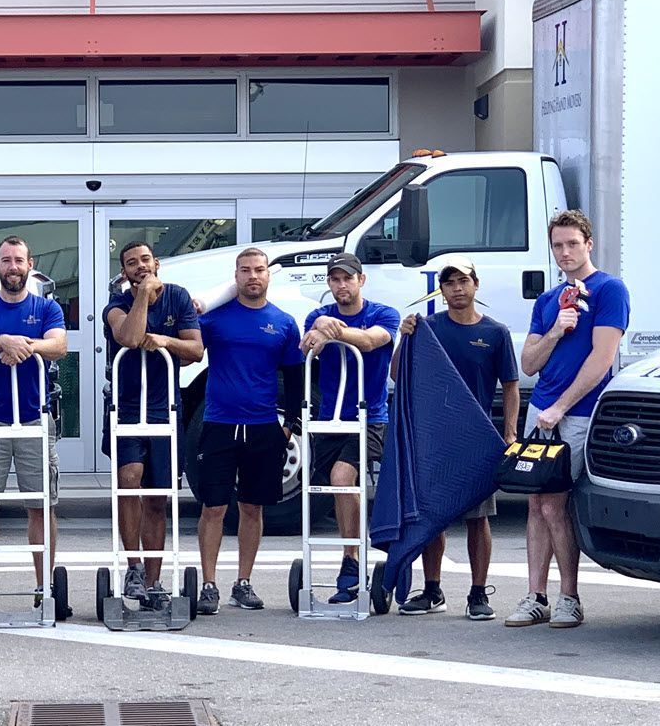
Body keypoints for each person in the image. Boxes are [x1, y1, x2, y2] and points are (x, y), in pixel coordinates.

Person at [511, 210, 629, 629]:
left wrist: (561, 407)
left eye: (572, 244)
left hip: (576, 413)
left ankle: (569, 597)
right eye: (558, 245)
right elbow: (528, 363)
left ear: (589, 244)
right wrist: (557, 331)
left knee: (554, 504)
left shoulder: (609, 290)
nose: (565, 252)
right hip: (539, 411)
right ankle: (534, 595)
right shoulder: (548, 301)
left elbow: (602, 358)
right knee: (535, 504)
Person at [391, 255, 519, 620]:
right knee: (434, 516)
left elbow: (511, 387)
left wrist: (509, 432)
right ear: (441, 289)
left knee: (478, 518)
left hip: (477, 439)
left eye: (464, 281)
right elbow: (399, 375)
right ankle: (432, 590)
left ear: (476, 285)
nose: (457, 289)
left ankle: (478, 594)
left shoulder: (496, 333)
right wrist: (404, 338)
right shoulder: (428, 327)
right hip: (436, 437)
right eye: (449, 283)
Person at [192, 248, 303, 615]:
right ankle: (209, 585)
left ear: (268, 275)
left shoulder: (284, 323)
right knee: (213, 507)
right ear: (235, 276)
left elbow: (295, 375)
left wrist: (291, 426)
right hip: (219, 423)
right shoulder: (214, 319)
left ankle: (243, 583)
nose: (252, 276)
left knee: (252, 508)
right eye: (245, 270)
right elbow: (187, 347)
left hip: (262, 427)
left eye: (259, 270)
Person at [0, 235, 68, 607]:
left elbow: (59, 345)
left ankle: (46, 587)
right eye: (6, 260)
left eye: (18, 260)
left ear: (30, 264)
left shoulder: (47, 308)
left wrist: (22, 345)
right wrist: (2, 340)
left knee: (41, 505)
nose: (12, 267)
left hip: (35, 420)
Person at [103, 241, 203, 609]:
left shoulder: (178, 298)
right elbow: (128, 337)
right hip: (127, 408)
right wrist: (142, 297)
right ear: (125, 272)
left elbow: (195, 350)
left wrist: (164, 340)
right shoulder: (116, 305)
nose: (140, 266)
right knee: (129, 482)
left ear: (157, 262)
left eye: (145, 260)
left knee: (158, 496)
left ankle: (154, 578)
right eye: (132, 263)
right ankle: (133, 568)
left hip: (165, 407)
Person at [300, 252, 399, 605]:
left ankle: (352, 560)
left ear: (361, 281)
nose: (342, 285)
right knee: (331, 484)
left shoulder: (383, 313)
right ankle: (349, 555)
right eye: (335, 279)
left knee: (344, 476)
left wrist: (336, 330)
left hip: (370, 416)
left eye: (348, 278)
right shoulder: (318, 315)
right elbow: (307, 343)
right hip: (330, 417)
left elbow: (373, 340)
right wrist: (317, 333)